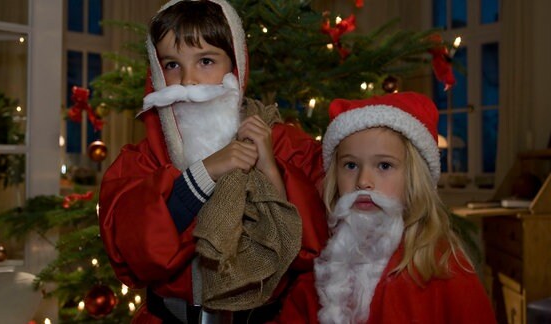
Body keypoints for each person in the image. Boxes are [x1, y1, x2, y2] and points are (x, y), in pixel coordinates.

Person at [98, 0, 328, 323]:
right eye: (172, 65)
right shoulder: (141, 160)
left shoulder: (284, 144)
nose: (189, 81)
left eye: (205, 61)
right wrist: (203, 174)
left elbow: (311, 247)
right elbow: (135, 251)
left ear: (235, 68)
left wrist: (270, 170)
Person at [273, 92, 497, 323]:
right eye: (350, 165)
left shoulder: (442, 266)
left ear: (413, 178)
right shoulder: (327, 266)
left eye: (384, 165)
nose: (363, 181)